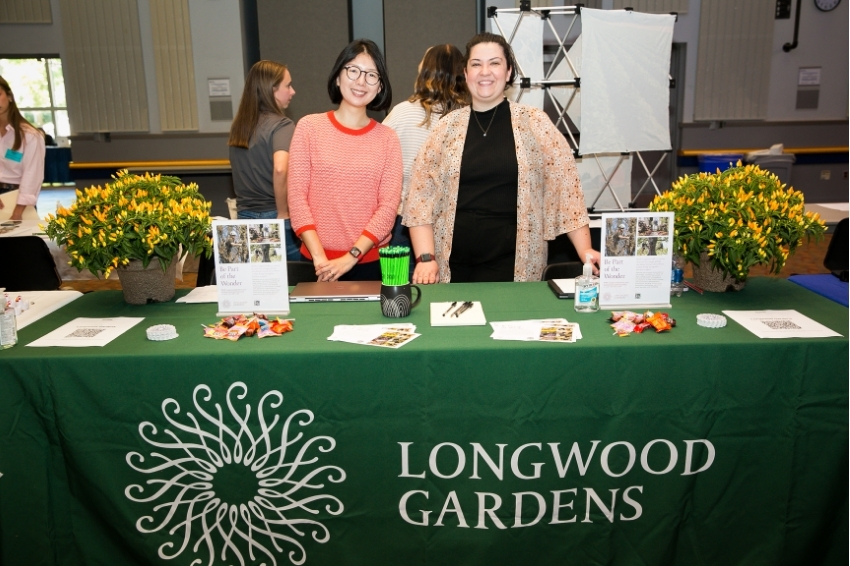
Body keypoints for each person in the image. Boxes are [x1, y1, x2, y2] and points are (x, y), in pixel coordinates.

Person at [403, 32, 599, 284]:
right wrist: (426, 258)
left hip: (515, 267)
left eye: (494, 63)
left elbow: (566, 192)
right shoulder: (445, 128)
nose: (485, 71)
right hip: (451, 267)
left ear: (508, 73)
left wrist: (585, 250)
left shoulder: (535, 123)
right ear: (465, 72)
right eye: (476, 64)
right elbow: (420, 198)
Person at [288, 39, 402, 282]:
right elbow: (297, 197)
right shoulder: (309, 127)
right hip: (316, 263)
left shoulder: (388, 138)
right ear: (338, 77)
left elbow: (388, 208)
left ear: (379, 86)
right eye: (353, 70)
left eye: (371, 75)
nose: (361, 81)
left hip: (371, 264)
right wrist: (320, 258)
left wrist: (351, 256)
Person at [382, 44, 467, 255]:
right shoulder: (470, 118)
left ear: (425, 71)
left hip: (405, 221)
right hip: (453, 222)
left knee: (404, 286)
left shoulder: (401, 114)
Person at [228, 60, 301, 261]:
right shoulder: (283, 125)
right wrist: (283, 213)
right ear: (272, 89)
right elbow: (280, 169)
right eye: (288, 85)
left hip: (244, 217)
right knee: (292, 284)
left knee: (257, 285)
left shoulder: (240, 127)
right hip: (274, 217)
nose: (292, 91)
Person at [0, 76, 46, 221]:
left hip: (18, 199)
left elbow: (32, 175)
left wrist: (18, 212)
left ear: (9, 96)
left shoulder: (30, 136)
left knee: (20, 243)